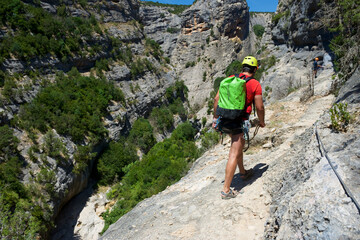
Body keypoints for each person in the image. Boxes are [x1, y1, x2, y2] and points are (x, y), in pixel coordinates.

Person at [212, 56, 266, 199]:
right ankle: (226, 190)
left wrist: (215, 118)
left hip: (225, 118)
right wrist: (262, 121)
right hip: (239, 120)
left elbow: (216, 99)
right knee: (234, 152)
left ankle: (243, 172)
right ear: (254, 70)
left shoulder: (231, 78)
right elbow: (259, 107)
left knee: (238, 145)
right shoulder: (255, 84)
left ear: (243, 68)